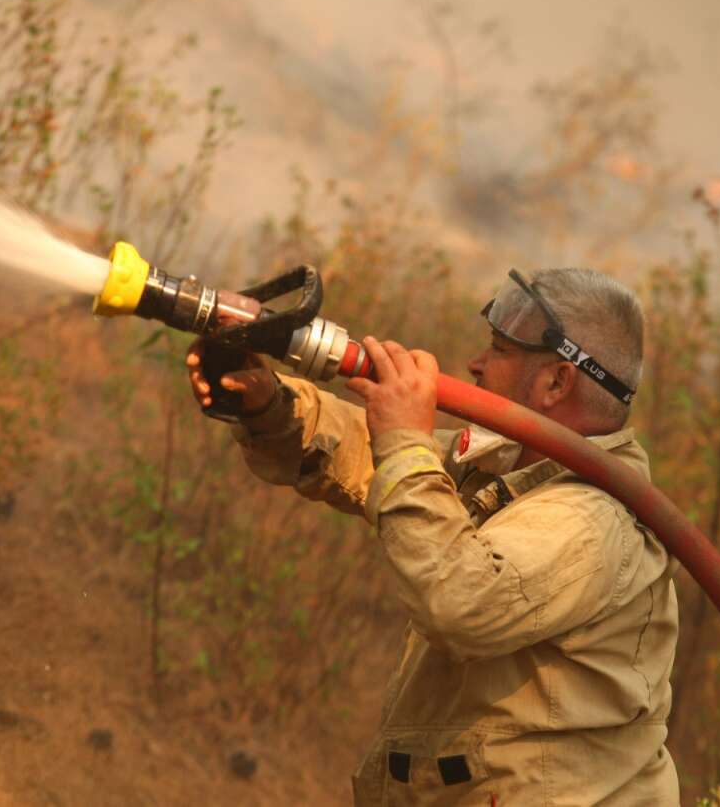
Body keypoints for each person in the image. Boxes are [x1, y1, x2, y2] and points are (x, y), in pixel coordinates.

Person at [186, 268, 679, 804]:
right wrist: (269, 405)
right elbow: (373, 459)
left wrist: (405, 439)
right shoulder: (510, 472)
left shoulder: (592, 520)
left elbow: (461, 600)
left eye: (498, 350)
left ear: (557, 383)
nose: (475, 364)